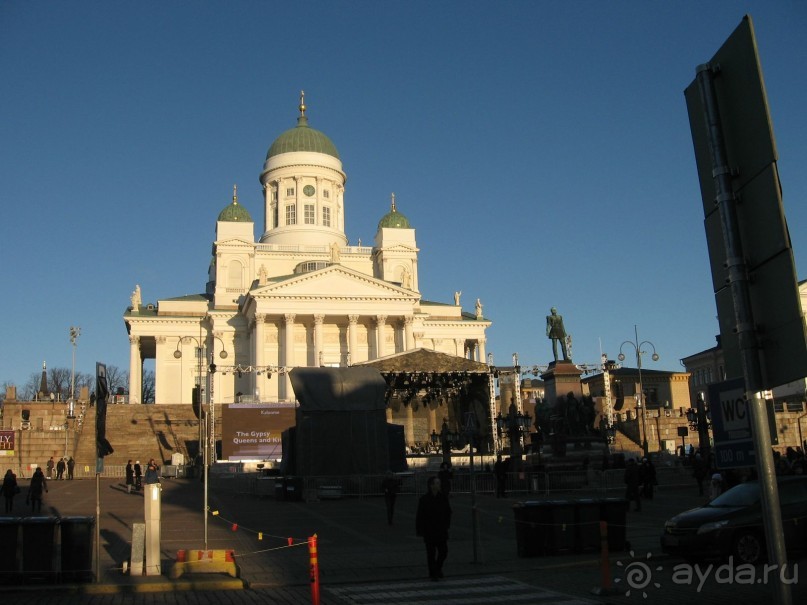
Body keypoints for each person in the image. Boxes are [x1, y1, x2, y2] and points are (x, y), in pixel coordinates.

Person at [415, 476, 452, 581]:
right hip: (429, 530)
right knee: (431, 553)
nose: (438, 485)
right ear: (431, 485)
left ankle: (437, 568)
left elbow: (448, 512)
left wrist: (446, 525)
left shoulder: (443, 498)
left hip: (441, 529)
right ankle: (433, 573)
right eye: (436, 483)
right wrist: (420, 530)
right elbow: (420, 515)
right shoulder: (424, 499)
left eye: (439, 483)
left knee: (443, 551)